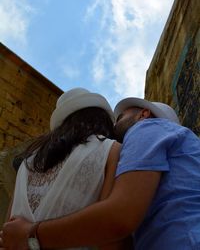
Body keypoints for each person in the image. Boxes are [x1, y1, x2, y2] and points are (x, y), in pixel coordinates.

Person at [1, 97, 200, 249]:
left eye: (121, 117)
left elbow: (121, 215)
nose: (114, 125)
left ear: (144, 114)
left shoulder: (147, 128)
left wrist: (32, 236)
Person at [0, 88, 133, 250]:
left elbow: (7, 231)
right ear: (103, 118)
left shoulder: (29, 162)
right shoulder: (112, 150)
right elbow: (111, 241)